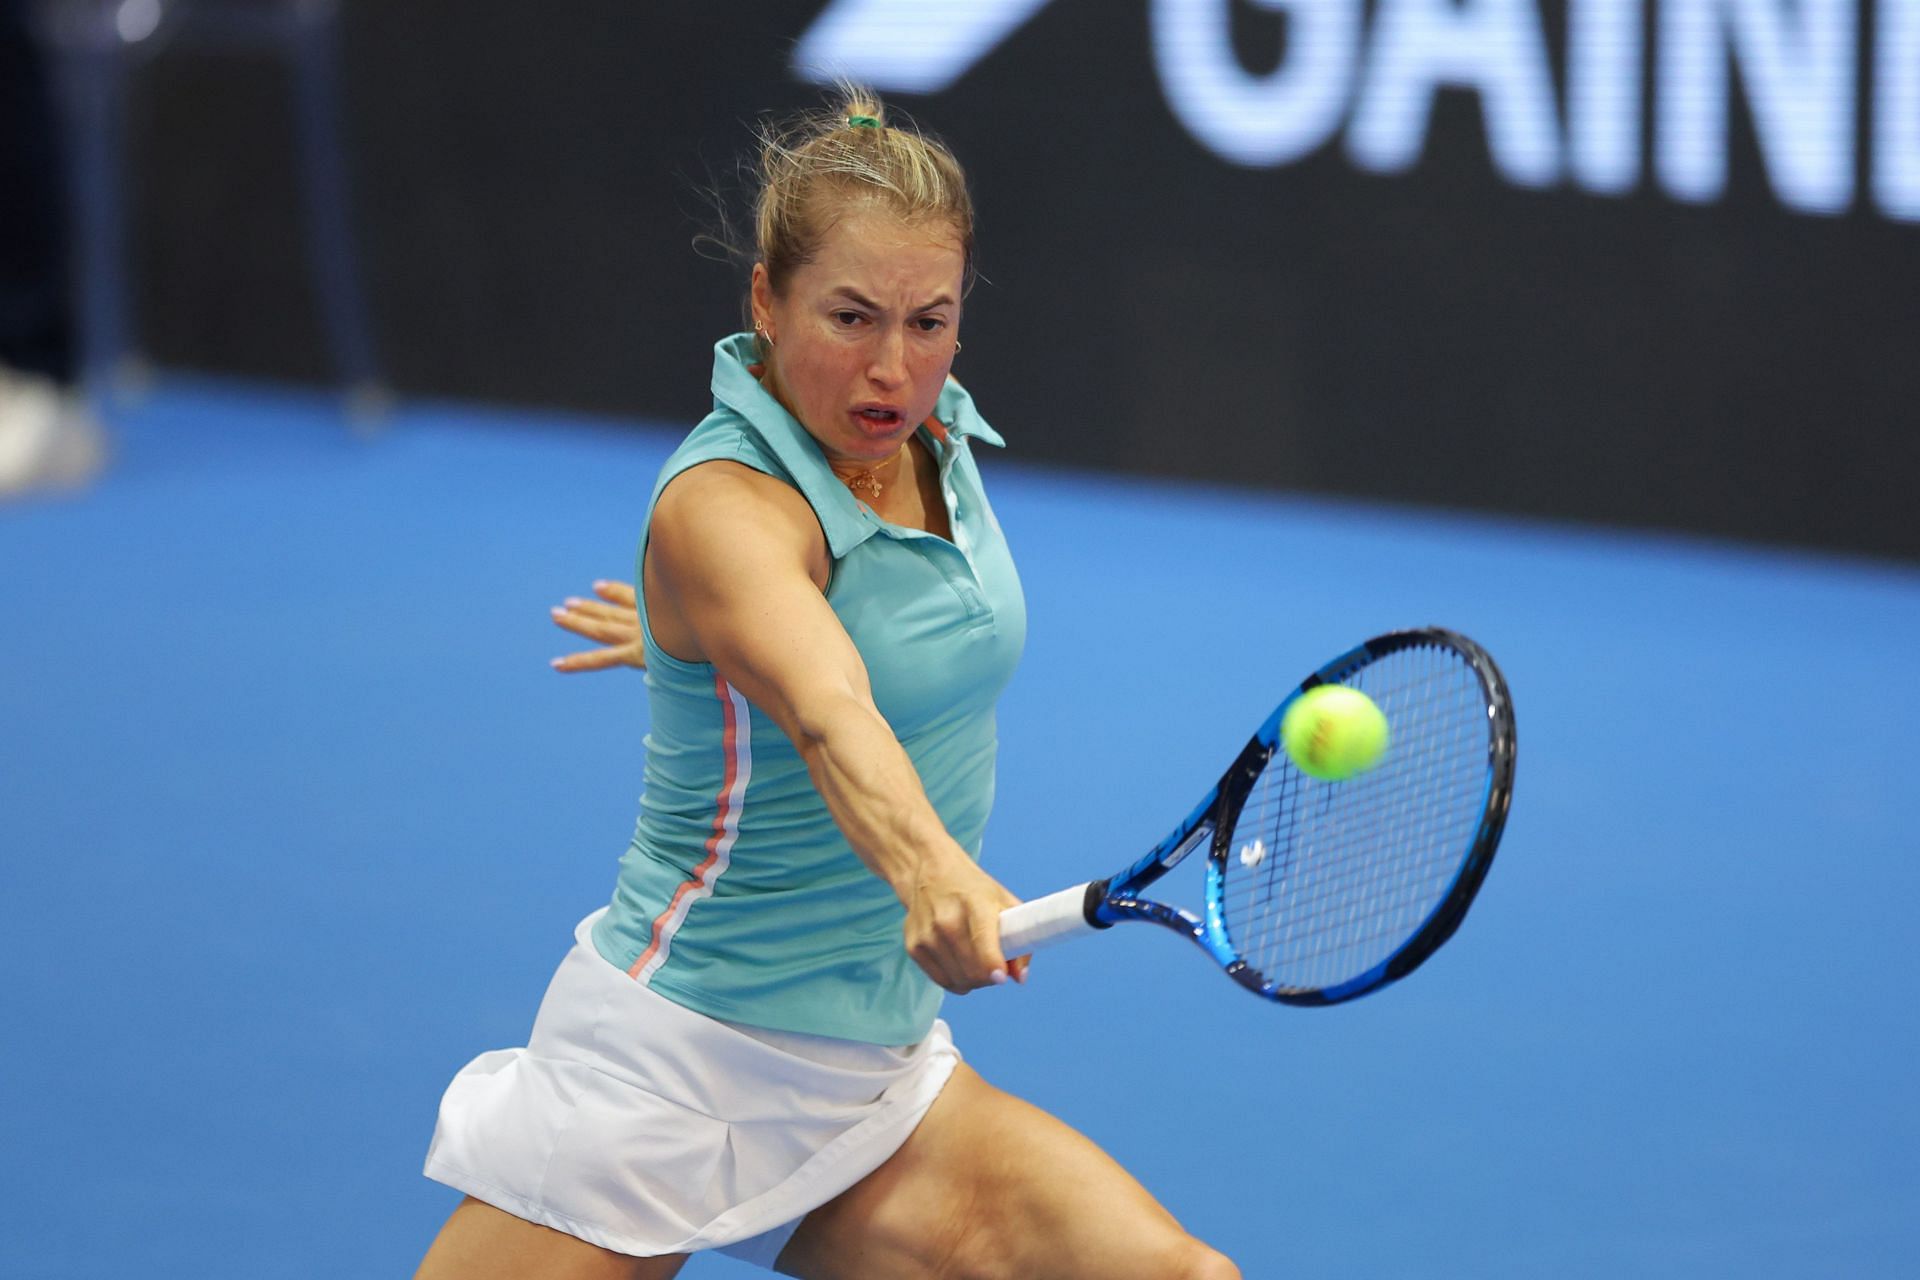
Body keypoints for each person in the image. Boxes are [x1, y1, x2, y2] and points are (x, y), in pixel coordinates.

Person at [418, 90, 1241, 1280]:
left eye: (930, 320)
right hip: (671, 1060)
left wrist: (696, 646)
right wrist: (931, 868)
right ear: (764, 299)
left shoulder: (937, 433)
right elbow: (826, 705)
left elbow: (866, 644)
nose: (892, 367)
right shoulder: (722, 508)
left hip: (875, 1076)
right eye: (850, 316)